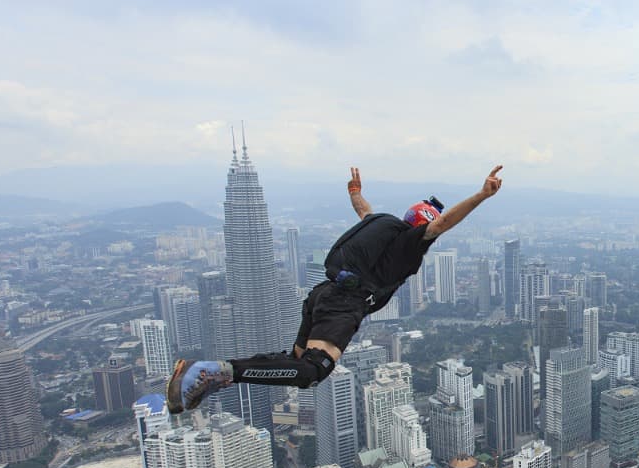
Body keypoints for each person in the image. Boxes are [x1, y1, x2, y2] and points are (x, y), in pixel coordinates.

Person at [166, 164, 504, 413]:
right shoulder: (409, 243)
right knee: (314, 370)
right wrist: (482, 195)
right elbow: (442, 224)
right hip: (345, 303)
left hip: (321, 294)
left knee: (296, 361)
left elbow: (364, 211)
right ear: (421, 227)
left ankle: (215, 372)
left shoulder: (382, 224)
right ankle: (215, 372)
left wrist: (355, 193)